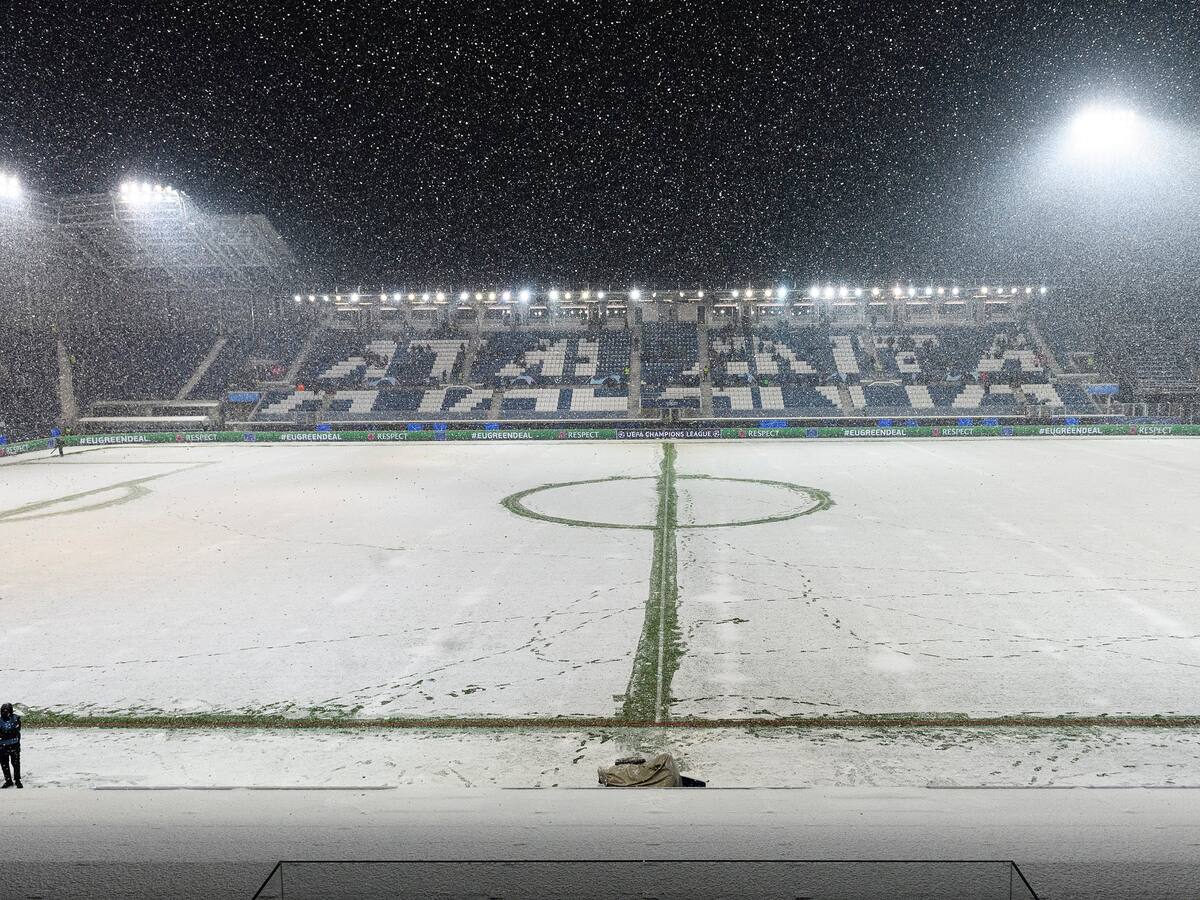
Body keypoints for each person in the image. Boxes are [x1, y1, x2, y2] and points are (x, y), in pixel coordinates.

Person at [0, 703, 20, 788]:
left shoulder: (16, 719)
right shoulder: (0, 720)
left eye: (7, 710)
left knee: (15, 763)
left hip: (14, 745)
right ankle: (8, 781)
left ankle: (17, 780)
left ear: (10, 711)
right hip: (2, 746)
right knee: (4, 764)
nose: (5, 712)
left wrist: (4, 733)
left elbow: (16, 730)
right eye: (3, 710)